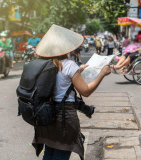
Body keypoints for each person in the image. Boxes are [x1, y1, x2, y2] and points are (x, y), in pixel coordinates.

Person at [32, 24, 111, 160]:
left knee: (49, 152)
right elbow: (85, 91)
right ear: (66, 47)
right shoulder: (69, 65)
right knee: (61, 154)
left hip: (46, 115)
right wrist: (102, 74)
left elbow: (59, 78)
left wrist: (78, 70)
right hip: (64, 118)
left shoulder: (45, 64)